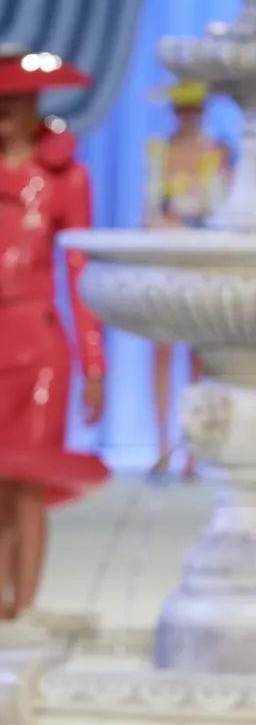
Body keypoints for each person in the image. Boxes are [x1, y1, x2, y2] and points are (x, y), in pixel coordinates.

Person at [0, 47, 108, 624]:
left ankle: (24, 611)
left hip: (39, 347)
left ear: (34, 103)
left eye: (13, 101)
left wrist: (95, 364)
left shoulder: (65, 176)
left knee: (30, 483)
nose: (3, 111)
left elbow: (81, 270)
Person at [144, 80, 231, 478]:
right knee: (162, 352)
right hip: (164, 258)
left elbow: (222, 211)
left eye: (194, 109)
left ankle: (192, 452)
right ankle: (162, 447)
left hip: (198, 260)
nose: (188, 116)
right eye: (182, 109)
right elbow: (148, 209)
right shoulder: (159, 151)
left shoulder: (216, 152)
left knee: (197, 358)